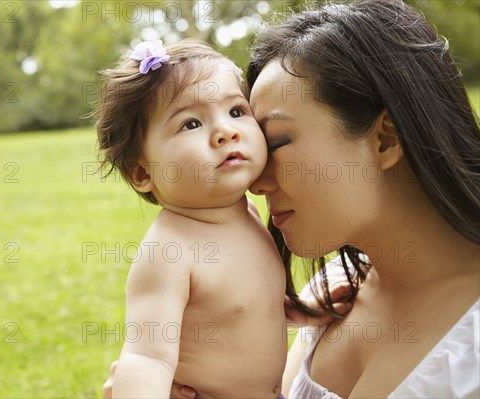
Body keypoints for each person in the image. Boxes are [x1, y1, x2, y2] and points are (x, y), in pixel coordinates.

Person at [103, 0, 480, 397]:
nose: (255, 182)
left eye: (275, 141)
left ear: (385, 138)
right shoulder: (337, 287)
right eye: (191, 124)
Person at [95, 38, 289, 398]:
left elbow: (238, 310)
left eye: (235, 111)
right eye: (191, 124)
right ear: (141, 172)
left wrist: (301, 311)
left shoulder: (247, 213)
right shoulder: (170, 250)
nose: (226, 132)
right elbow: (146, 358)